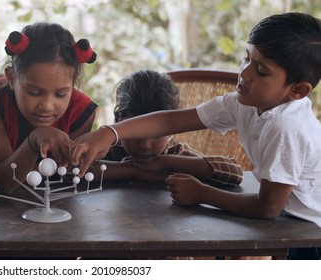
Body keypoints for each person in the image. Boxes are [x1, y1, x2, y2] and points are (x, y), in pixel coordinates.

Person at [70, 13, 321, 259]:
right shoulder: (243, 103)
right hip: (293, 226)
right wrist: (109, 133)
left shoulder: (286, 126)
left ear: (297, 90)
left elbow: (268, 208)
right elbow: (168, 121)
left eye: (261, 70)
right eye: (246, 58)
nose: (244, 73)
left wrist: (202, 194)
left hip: (310, 233)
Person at [0, 22, 98, 194]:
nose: (47, 106)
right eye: (34, 92)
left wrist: (131, 169)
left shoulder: (81, 112)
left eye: (61, 94)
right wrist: (35, 139)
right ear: (11, 78)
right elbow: (6, 181)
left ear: (73, 83)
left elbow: (68, 174)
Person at [98, 69, 243, 187]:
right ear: (118, 121)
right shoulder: (110, 151)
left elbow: (235, 172)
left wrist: (165, 162)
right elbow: (77, 169)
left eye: (156, 134)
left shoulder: (176, 154)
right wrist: (132, 171)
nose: (145, 146)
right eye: (136, 134)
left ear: (171, 129)